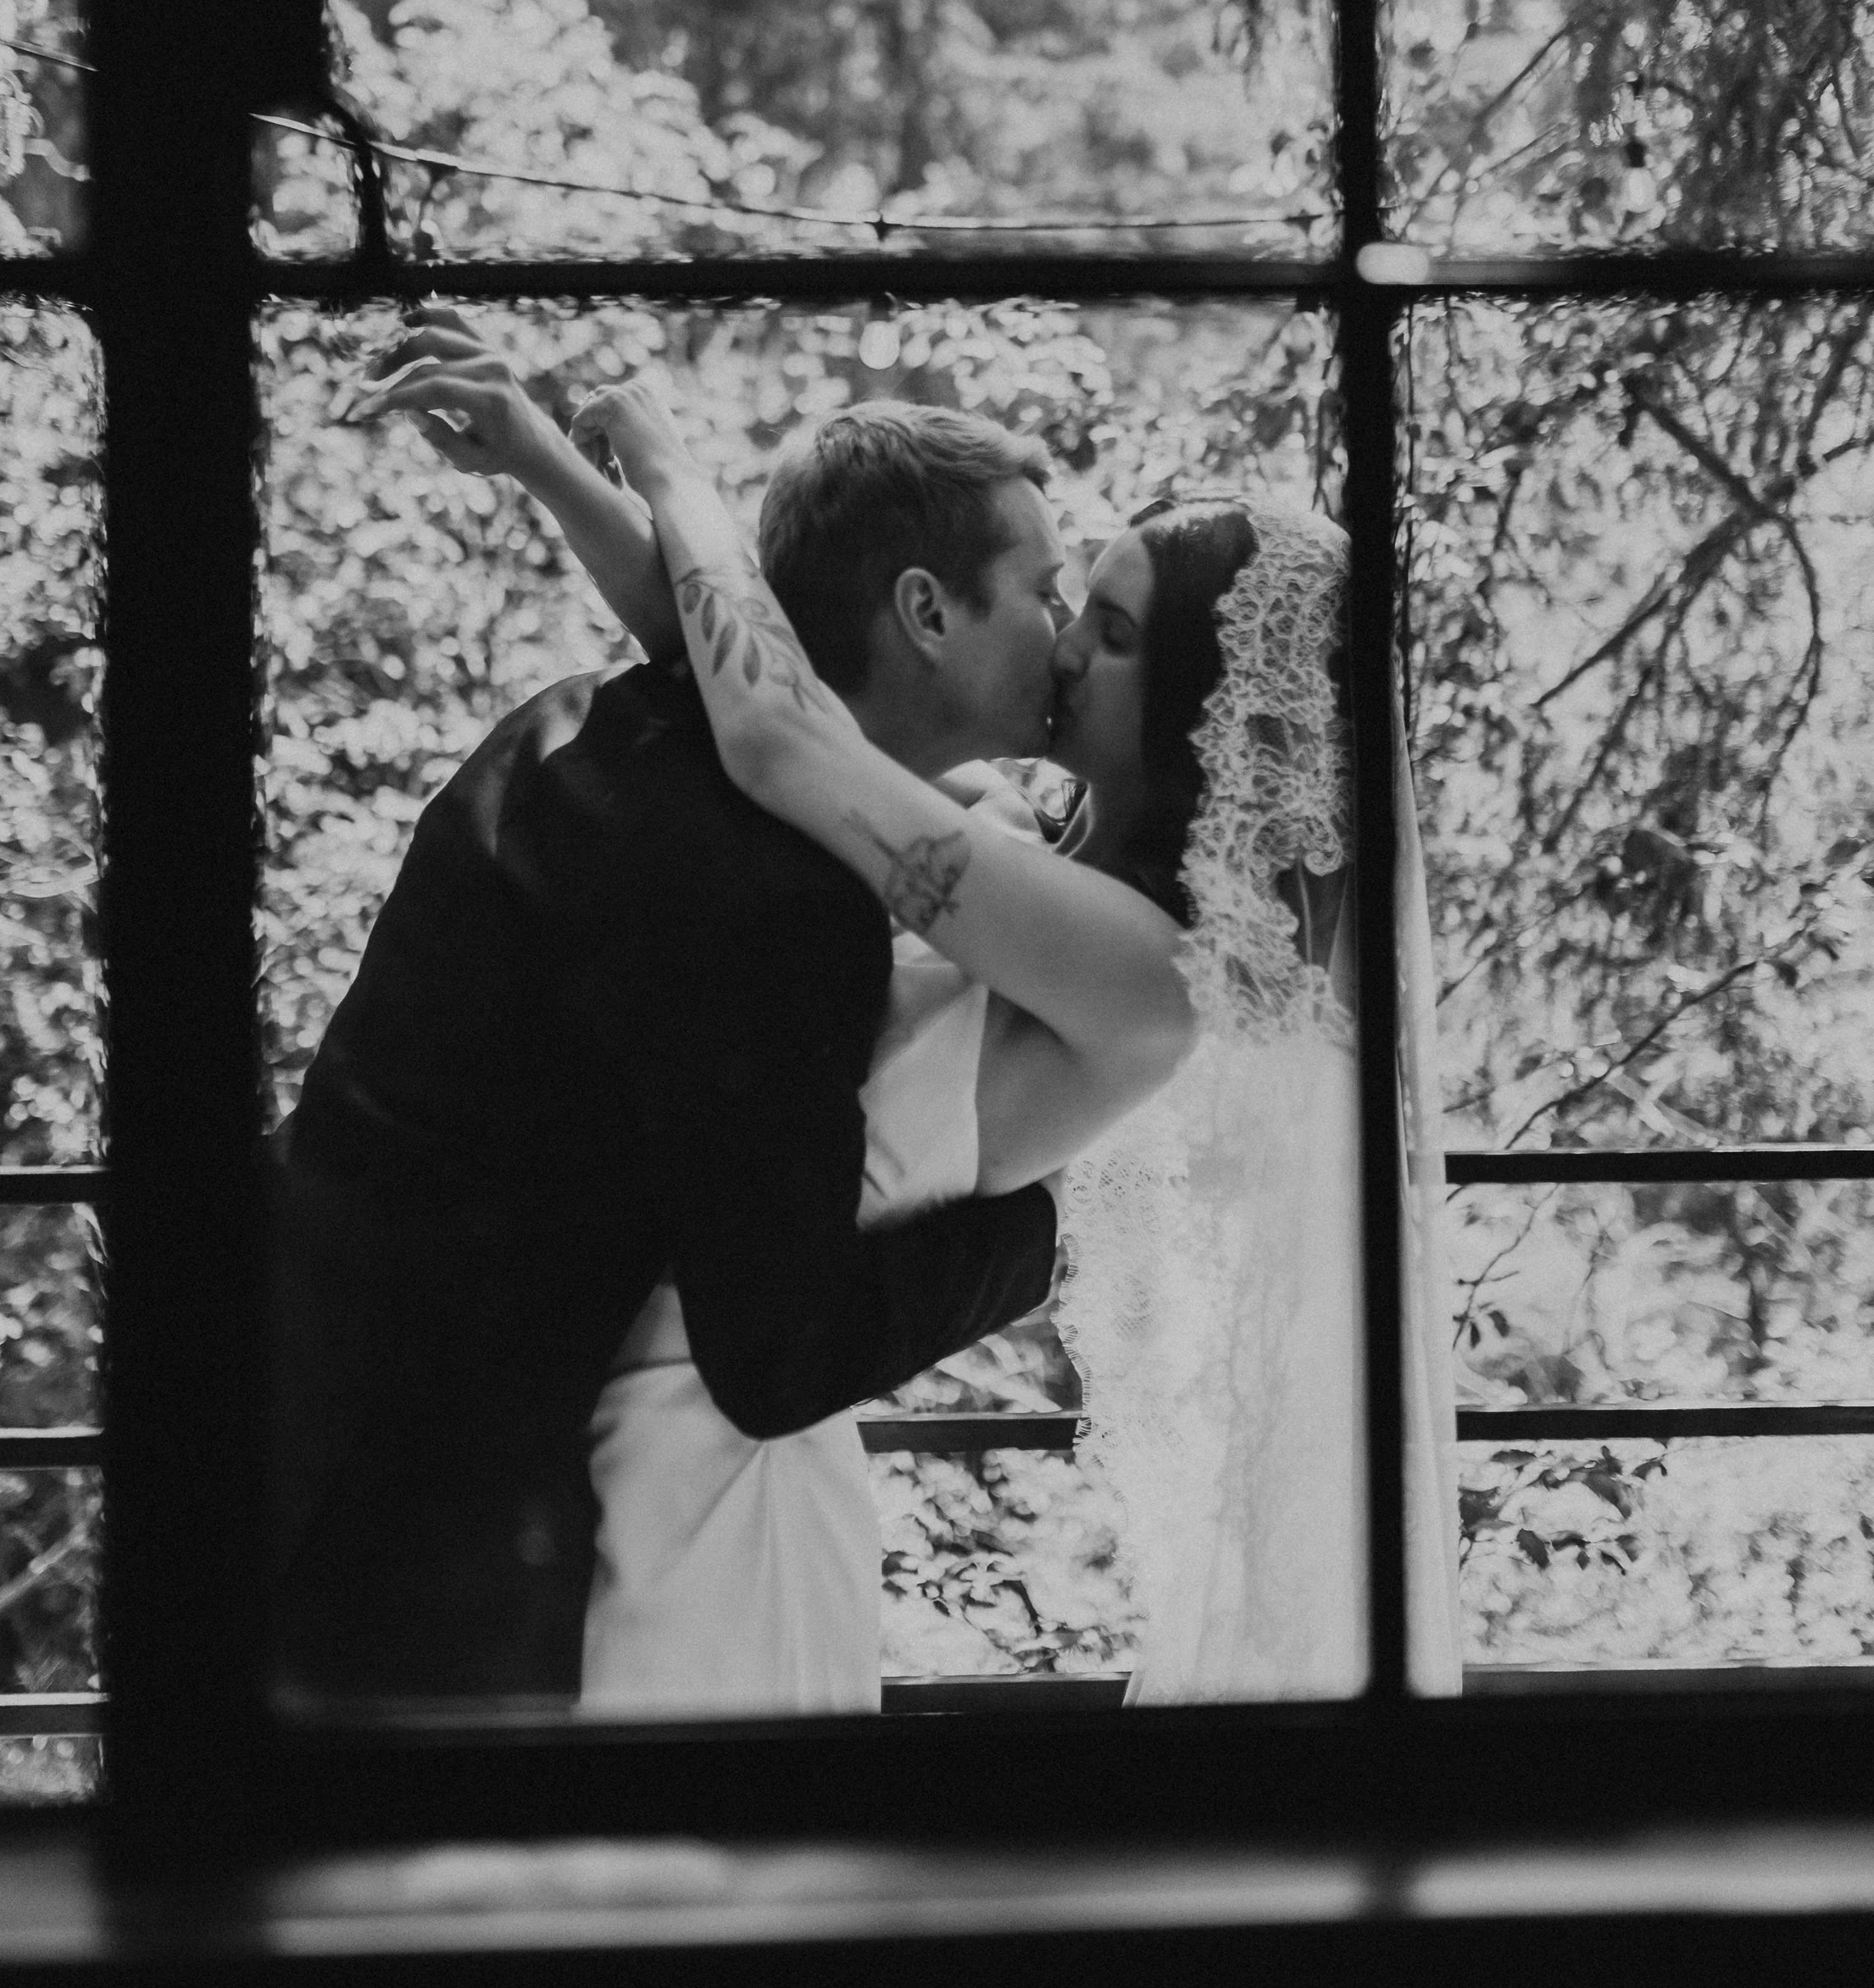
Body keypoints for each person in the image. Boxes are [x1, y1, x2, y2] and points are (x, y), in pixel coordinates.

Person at [385, 336, 1459, 1707]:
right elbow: (739, 679)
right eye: (1074, 602)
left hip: (725, 1437)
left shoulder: (1143, 972)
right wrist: (549, 465)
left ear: (1196, 719)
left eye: (1114, 632)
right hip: (663, 1390)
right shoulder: (1015, 855)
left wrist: (666, 461)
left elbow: (784, 740)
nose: (1067, 642)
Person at [271, 330, 1080, 1704]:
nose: (1061, 635)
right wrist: (1039, 1236)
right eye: (1046, 593)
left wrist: (552, 459)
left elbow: (750, 674)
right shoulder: (774, 904)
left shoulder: (594, 724)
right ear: (929, 614)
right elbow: (778, 1354)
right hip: (476, 1541)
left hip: (294, 1412)